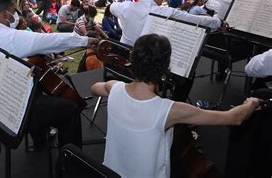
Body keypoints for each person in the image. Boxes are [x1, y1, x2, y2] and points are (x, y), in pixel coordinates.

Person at [91, 34, 260, 177]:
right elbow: (234, 118)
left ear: (132, 59)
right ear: (166, 67)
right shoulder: (171, 110)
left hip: (110, 173)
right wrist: (251, 102)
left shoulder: (114, 88)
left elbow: (94, 88)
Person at [0, 0, 98, 151]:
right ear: (5, 14)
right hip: (13, 110)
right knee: (70, 110)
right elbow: (52, 40)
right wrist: (86, 40)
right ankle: (69, 165)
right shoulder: (11, 38)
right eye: (14, 10)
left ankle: (40, 139)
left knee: (36, 83)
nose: (16, 14)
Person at [110, 0, 222, 46]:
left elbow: (112, 7)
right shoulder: (164, 13)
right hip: (147, 65)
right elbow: (197, 20)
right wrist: (218, 21)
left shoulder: (125, 7)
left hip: (124, 60)